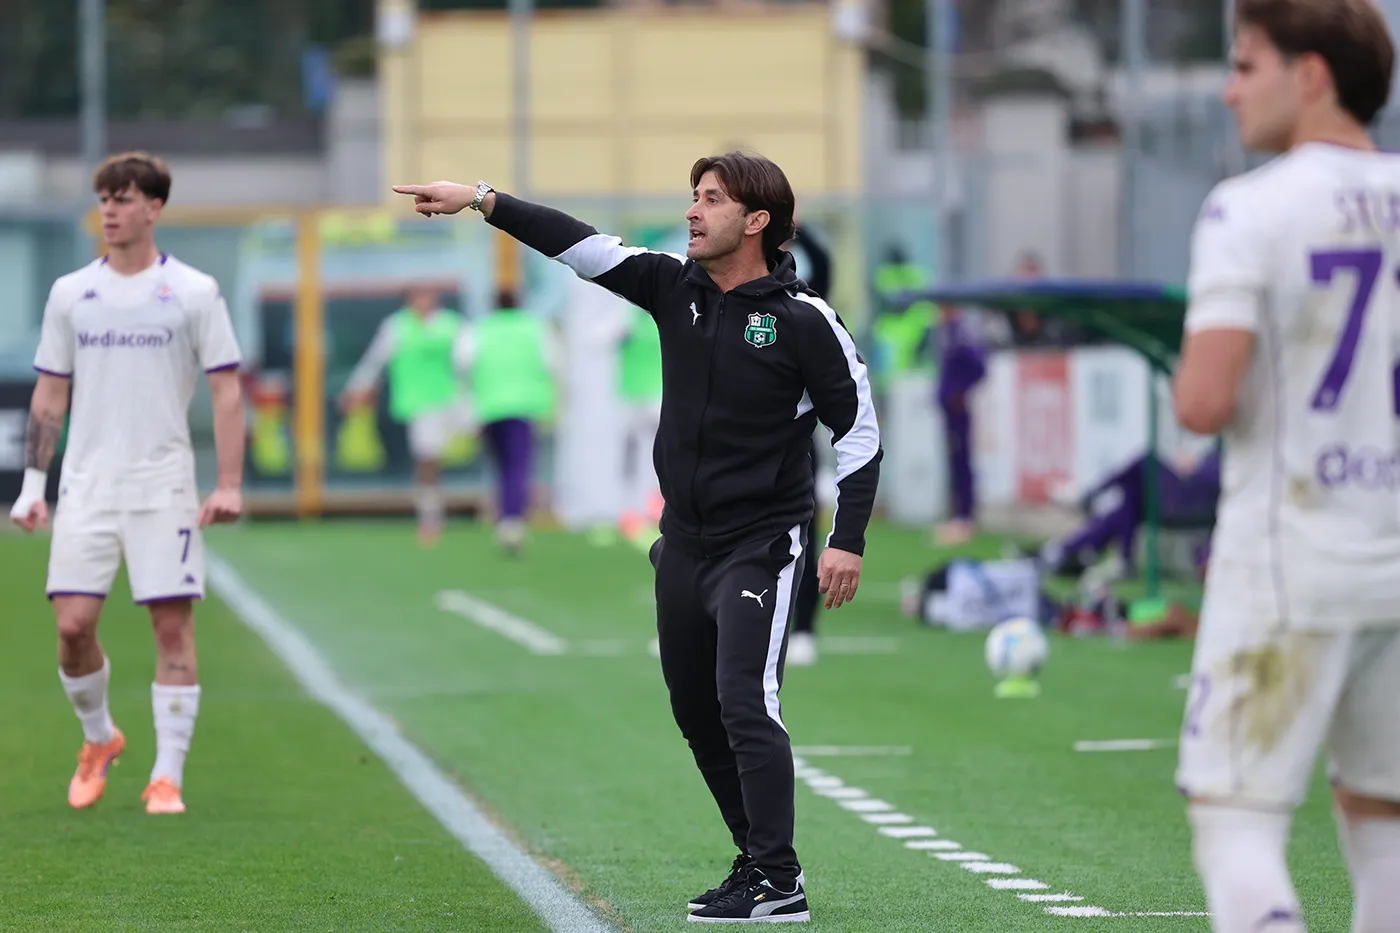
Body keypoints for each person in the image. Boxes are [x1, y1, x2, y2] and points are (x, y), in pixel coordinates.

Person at [394, 150, 881, 924]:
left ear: (756, 221)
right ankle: (756, 862)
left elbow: (857, 432)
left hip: (764, 541)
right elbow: (579, 245)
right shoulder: (671, 285)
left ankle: (778, 877)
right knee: (694, 708)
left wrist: (846, 538)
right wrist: (480, 199)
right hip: (683, 542)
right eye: (693, 195)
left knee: (744, 701)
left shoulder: (802, 319)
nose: (692, 210)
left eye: (711, 199)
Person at [1172, 3, 1400, 931]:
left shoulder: (1250, 206)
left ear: (1310, 75)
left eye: (1244, 64)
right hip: (1396, 557)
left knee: (1234, 821)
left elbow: (1203, 401)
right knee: (1382, 815)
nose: (1230, 87)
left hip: (1291, 556)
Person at [9, 151, 245, 816]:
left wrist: (227, 482)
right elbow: (50, 395)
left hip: (163, 485)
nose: (109, 210)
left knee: (171, 626)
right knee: (73, 627)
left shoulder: (195, 292)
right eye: (104, 198)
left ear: (155, 208)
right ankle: (99, 737)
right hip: (87, 487)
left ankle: (166, 775)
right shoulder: (71, 293)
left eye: (123, 197)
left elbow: (227, 393)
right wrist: (33, 483)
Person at [340, 285, 469, 548]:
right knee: (428, 459)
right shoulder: (396, 327)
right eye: (418, 296)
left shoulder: (452, 325)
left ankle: (506, 510)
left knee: (494, 439)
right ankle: (430, 516)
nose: (423, 301)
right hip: (422, 404)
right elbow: (374, 361)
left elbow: (470, 361)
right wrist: (356, 390)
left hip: (456, 402)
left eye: (427, 295)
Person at [453, 288, 559, 555]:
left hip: (488, 407)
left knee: (502, 465)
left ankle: (506, 516)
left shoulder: (479, 329)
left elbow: (462, 364)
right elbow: (554, 363)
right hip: (523, 405)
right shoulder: (535, 328)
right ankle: (512, 520)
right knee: (518, 465)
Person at [783, 222, 832, 668]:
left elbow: (827, 263)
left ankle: (804, 628)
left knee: (803, 536)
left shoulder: (808, 308)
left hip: (796, 443)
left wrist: (797, 224)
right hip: (733, 447)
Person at [933, 305, 987, 546]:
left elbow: (979, 367)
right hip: (950, 409)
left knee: (961, 460)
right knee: (955, 461)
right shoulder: (948, 332)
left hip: (957, 411)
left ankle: (964, 517)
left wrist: (959, 392)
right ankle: (959, 515)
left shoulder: (959, 334)